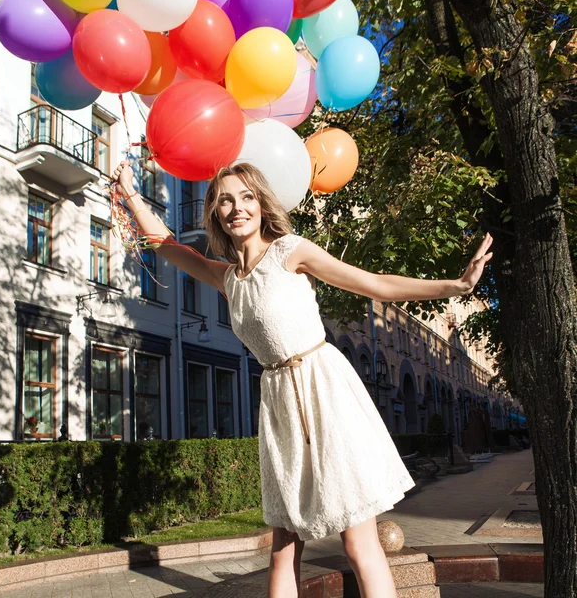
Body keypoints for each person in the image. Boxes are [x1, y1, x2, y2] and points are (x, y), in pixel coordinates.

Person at [112, 160, 493, 598]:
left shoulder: (290, 250)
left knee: (357, 539)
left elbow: (373, 285)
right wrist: (131, 192)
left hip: (324, 390)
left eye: (247, 197)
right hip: (278, 404)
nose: (237, 208)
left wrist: (455, 287)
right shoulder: (228, 278)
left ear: (261, 202)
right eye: (225, 201)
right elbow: (166, 246)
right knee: (284, 545)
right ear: (215, 212)